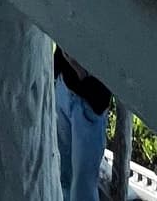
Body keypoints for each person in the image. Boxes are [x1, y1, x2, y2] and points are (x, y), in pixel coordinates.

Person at [54, 46, 111, 201]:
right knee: (63, 175)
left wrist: (81, 72)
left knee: (82, 188)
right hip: (64, 88)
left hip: (89, 103)